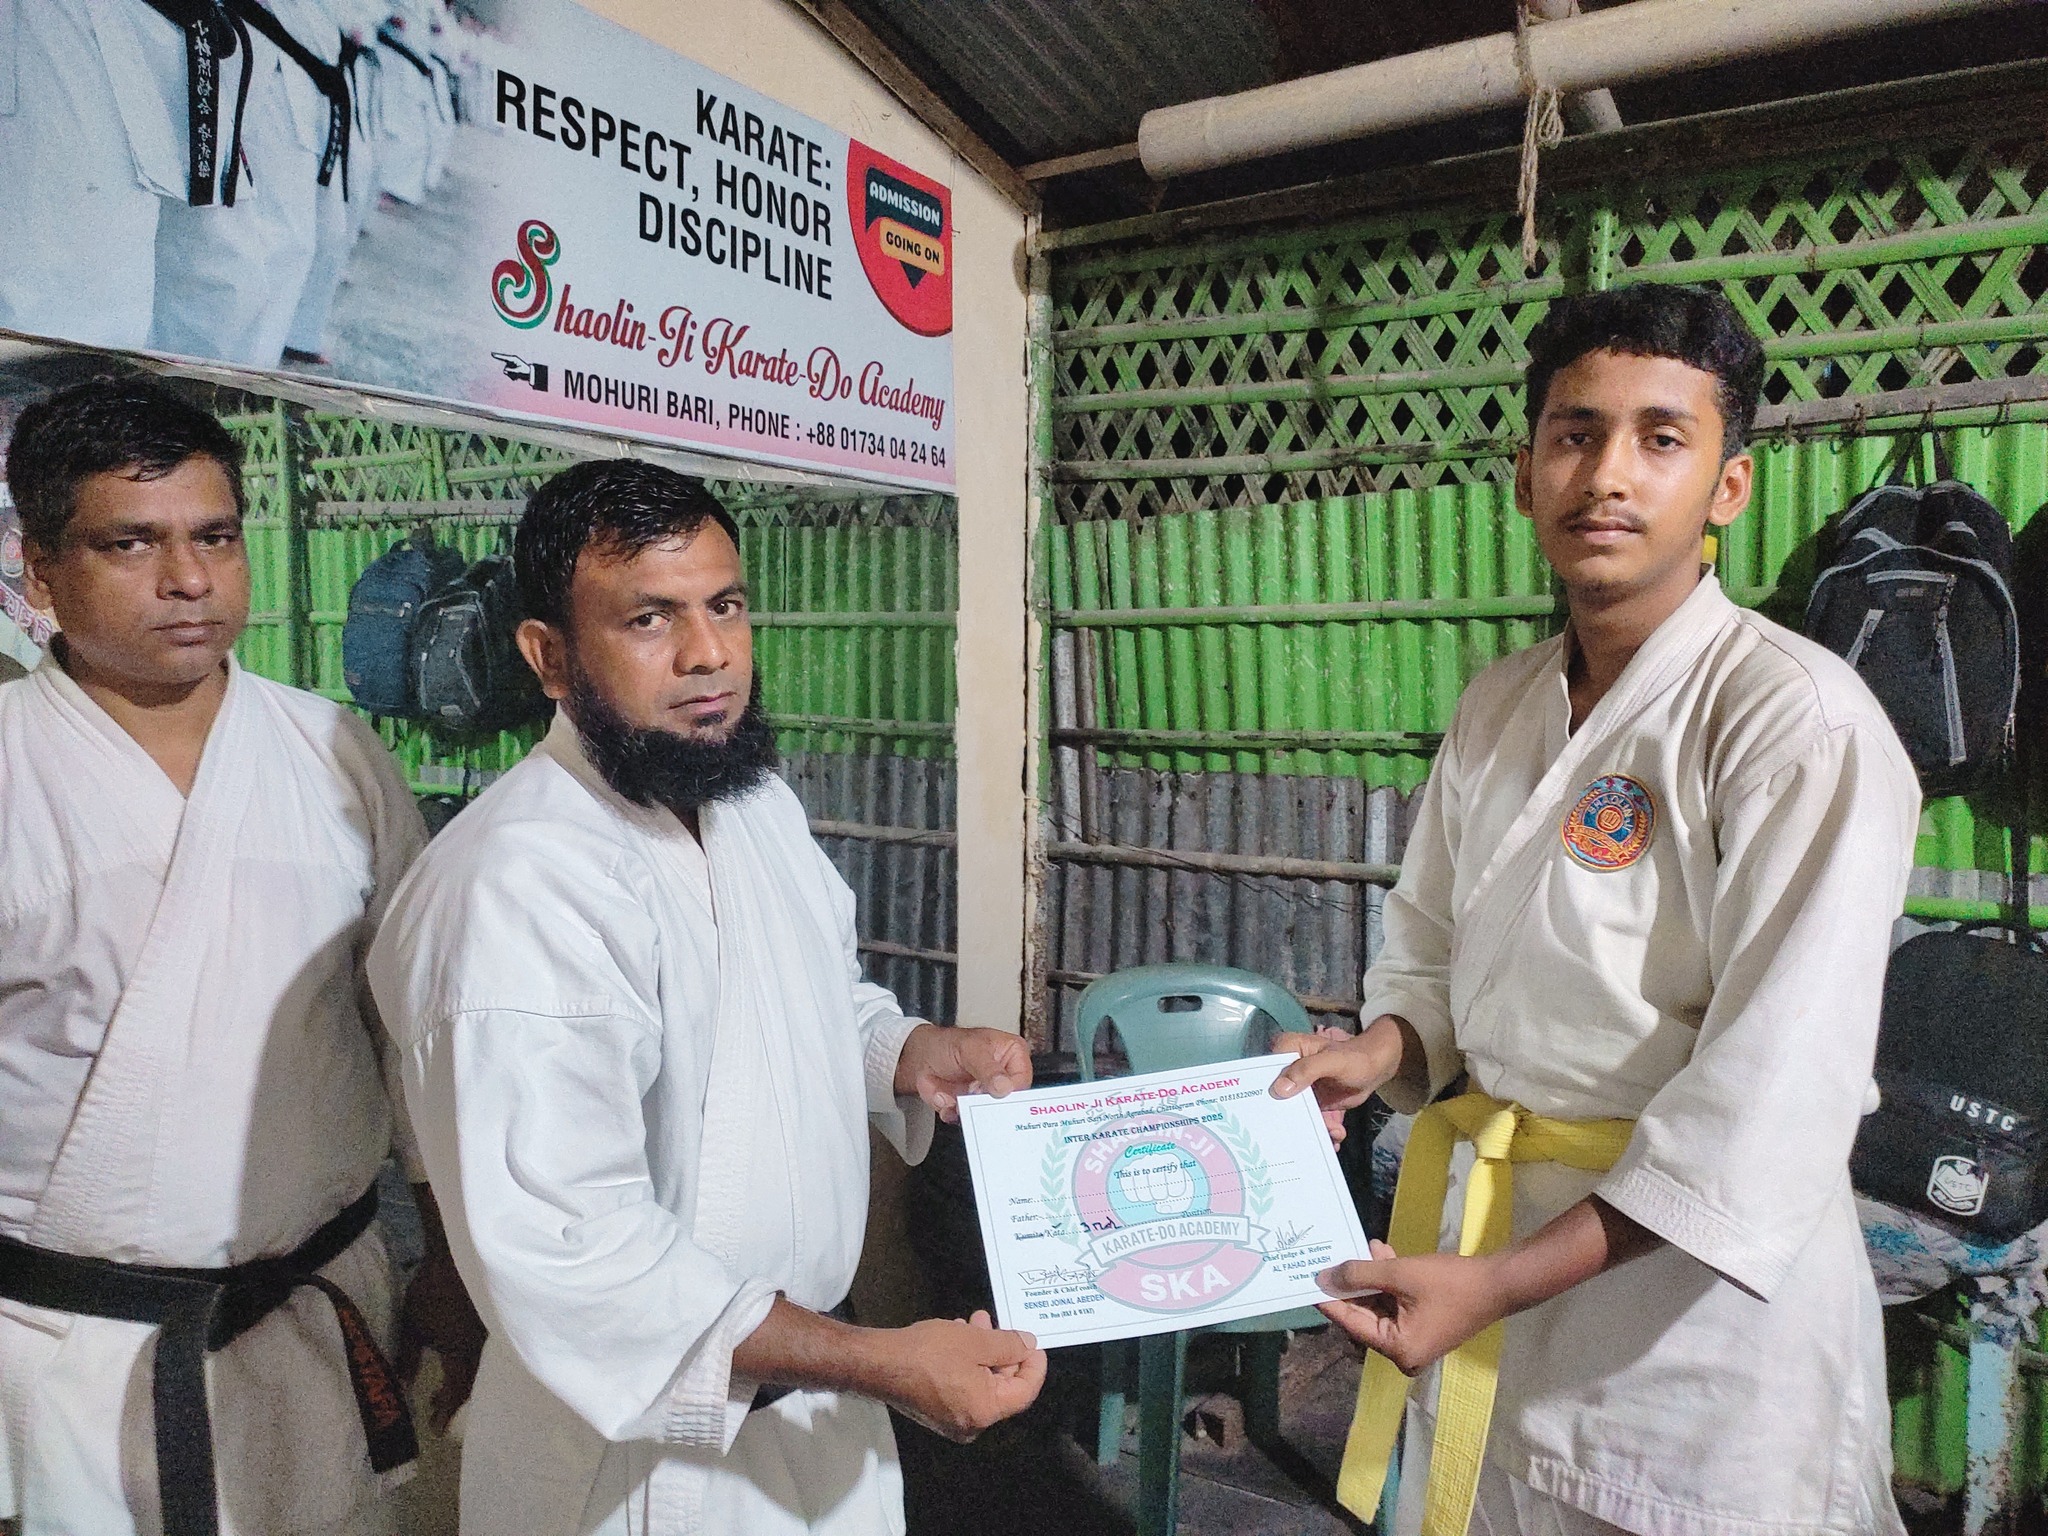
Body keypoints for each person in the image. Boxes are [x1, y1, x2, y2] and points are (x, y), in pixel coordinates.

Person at [1273, 286, 1919, 1536]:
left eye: (1660, 438)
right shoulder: (1497, 704)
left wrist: (1496, 1282)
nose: (1606, 474)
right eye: (1573, 435)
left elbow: (1768, 1100)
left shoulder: (1796, 722)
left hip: (1695, 1335)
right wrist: (1383, 1046)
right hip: (1500, 1279)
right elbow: (1433, 946)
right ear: (1523, 475)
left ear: (1727, 486)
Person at [367, 459, 1047, 1536]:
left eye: (724, 606)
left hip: (815, 1418)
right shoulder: (515, 888)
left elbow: (814, 1000)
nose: (708, 655)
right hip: (636, 1465)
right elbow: (576, 1253)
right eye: (649, 618)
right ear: (548, 656)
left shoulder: (748, 801)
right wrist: (878, 1359)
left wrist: (906, 1050)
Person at [0, 375, 483, 1536]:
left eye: (214, 536)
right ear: (39, 573)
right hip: (62, 1344)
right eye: (133, 543)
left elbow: (415, 1025)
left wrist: (454, 1260)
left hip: (321, 1307)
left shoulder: (332, 749)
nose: (189, 579)